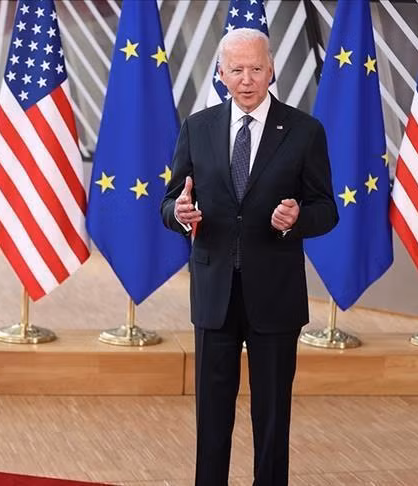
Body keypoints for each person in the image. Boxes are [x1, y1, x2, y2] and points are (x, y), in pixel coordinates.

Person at [161, 29, 338, 485]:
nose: (246, 79)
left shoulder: (304, 131)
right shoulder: (197, 128)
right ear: (221, 74)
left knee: (273, 416)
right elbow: (170, 202)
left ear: (271, 69)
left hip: (275, 294)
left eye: (256, 69)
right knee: (211, 417)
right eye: (236, 70)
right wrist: (180, 213)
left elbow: (326, 210)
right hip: (214, 293)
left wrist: (297, 218)